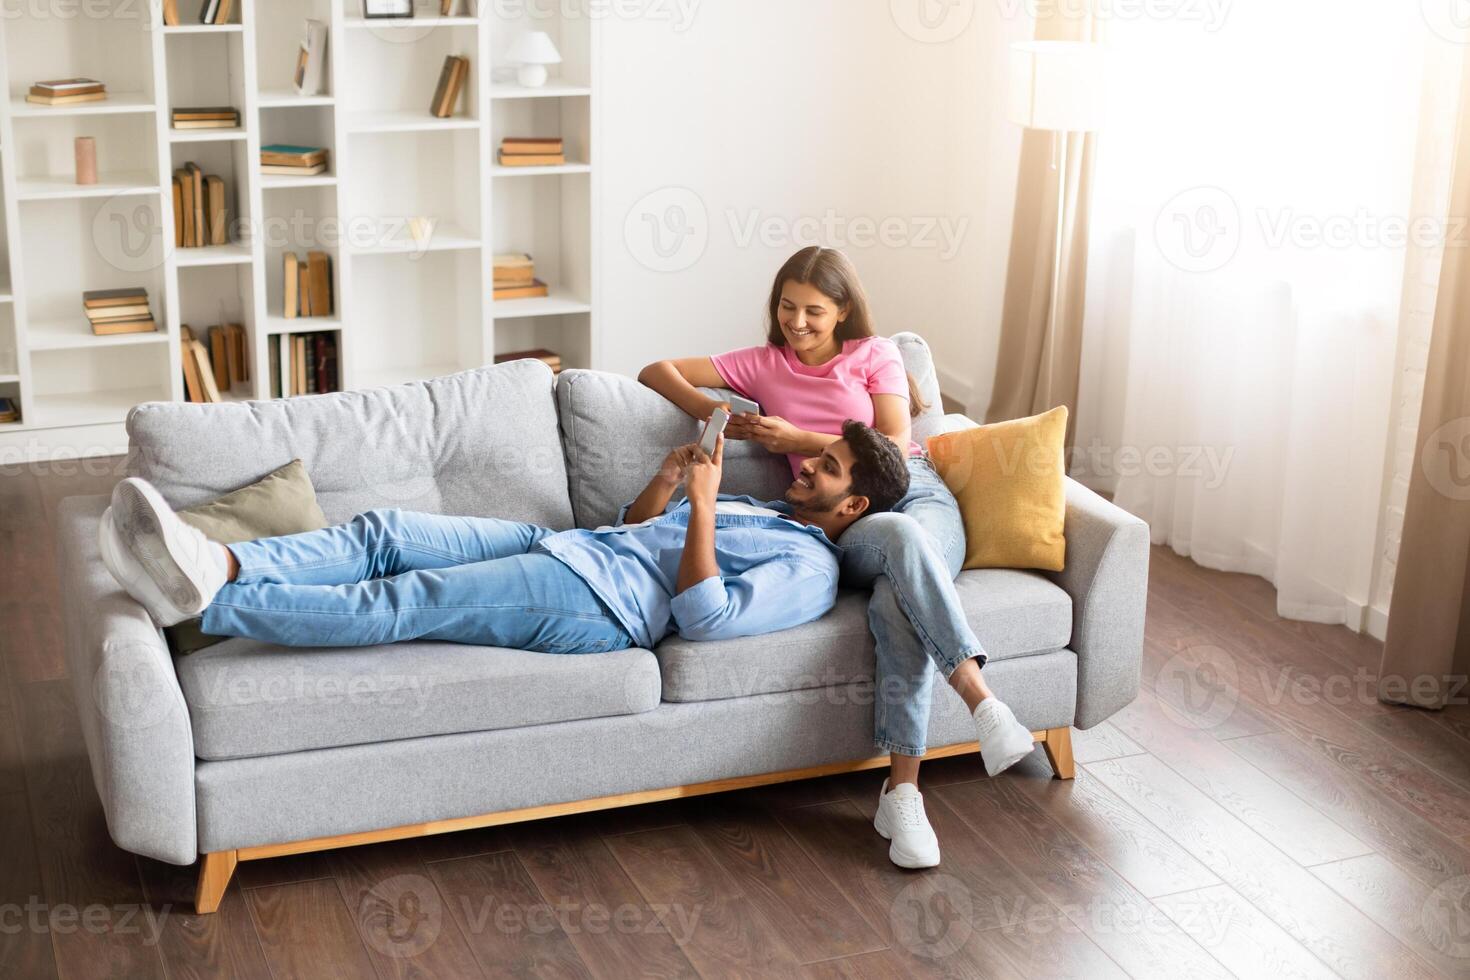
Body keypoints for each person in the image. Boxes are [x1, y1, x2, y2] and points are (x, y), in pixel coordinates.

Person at [639, 246, 1036, 870]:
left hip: (915, 492)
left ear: (843, 310)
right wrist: (715, 410)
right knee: (901, 547)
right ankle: (981, 699)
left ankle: (902, 792)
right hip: (844, 524)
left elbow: (897, 450)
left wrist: (800, 440)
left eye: (815, 312)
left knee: (896, 596)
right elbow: (655, 369)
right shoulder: (766, 365)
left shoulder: (876, 354)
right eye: (787, 308)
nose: (798, 323)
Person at [97, 422, 910, 660]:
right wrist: (669, 484)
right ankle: (221, 560)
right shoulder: (768, 514)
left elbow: (703, 616)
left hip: (600, 604)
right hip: (574, 547)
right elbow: (636, 531)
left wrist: (701, 509)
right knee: (386, 533)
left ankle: (213, 604)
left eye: (827, 470)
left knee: (407, 599)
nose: (805, 469)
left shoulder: (809, 567)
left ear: (854, 505)